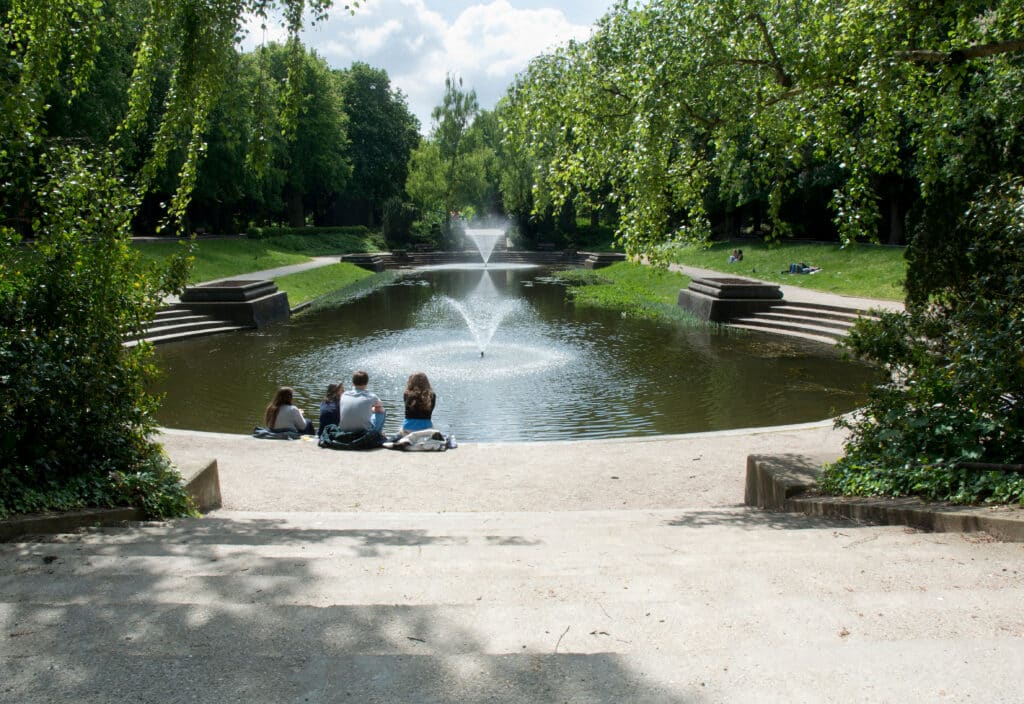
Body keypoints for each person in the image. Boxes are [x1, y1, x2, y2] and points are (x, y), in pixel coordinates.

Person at [338, 370, 386, 436]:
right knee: (381, 410)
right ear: (366, 383)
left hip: (344, 430)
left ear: (353, 382)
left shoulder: (344, 395)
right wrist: (371, 408)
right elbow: (380, 404)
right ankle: (377, 435)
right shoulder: (371, 396)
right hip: (363, 432)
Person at [401, 372, 436, 436]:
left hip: (408, 429)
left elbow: (408, 412)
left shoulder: (407, 394)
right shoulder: (432, 395)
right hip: (426, 429)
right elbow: (430, 412)